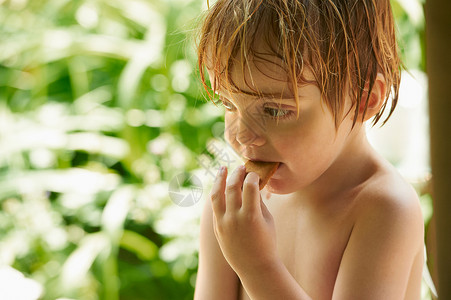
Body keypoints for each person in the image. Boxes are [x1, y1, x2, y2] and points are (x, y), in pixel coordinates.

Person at [194, 0, 424, 299]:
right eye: (228, 103)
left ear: (365, 97)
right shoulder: (235, 208)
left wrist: (258, 267)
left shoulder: (385, 211)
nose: (241, 135)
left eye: (275, 110)